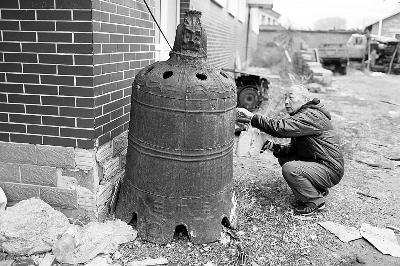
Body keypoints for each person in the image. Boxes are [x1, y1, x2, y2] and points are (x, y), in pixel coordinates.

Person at [237, 84, 344, 215]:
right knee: (286, 158)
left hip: (329, 169)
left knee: (290, 168)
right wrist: (272, 146)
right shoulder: (303, 116)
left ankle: (315, 201)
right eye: (285, 98)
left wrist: (252, 117)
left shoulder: (311, 115)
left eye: (291, 97)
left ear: (304, 99)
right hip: (321, 164)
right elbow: (293, 150)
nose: (286, 102)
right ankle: (316, 188)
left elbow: (279, 128)